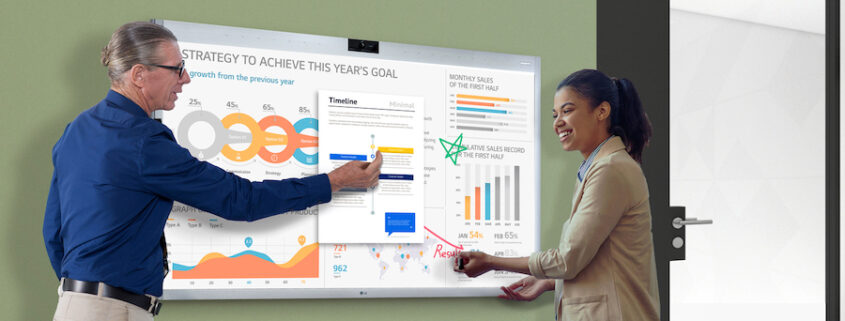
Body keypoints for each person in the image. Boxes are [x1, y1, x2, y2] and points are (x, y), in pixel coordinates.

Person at [43, 21, 382, 321]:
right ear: (139, 75)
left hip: (72, 306)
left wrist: (84, 290)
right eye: (177, 68)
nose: (186, 78)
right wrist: (334, 181)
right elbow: (240, 200)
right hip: (114, 312)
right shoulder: (144, 141)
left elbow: (54, 232)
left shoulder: (77, 129)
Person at [454, 69, 659, 320]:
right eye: (555, 114)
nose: (557, 122)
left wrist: (490, 261)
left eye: (567, 110)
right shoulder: (600, 167)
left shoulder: (610, 170)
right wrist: (550, 283)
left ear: (602, 112)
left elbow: (568, 260)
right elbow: (600, 259)